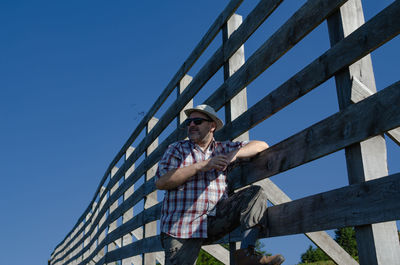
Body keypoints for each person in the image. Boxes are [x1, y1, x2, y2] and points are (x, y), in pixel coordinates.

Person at [155, 104, 284, 265]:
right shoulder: (176, 149)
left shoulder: (223, 148)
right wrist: (202, 165)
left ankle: (246, 253)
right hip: (182, 227)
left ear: (212, 125)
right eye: (189, 122)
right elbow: (161, 182)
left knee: (255, 193)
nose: (192, 125)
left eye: (197, 121)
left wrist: (233, 154)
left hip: (214, 219)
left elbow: (262, 145)